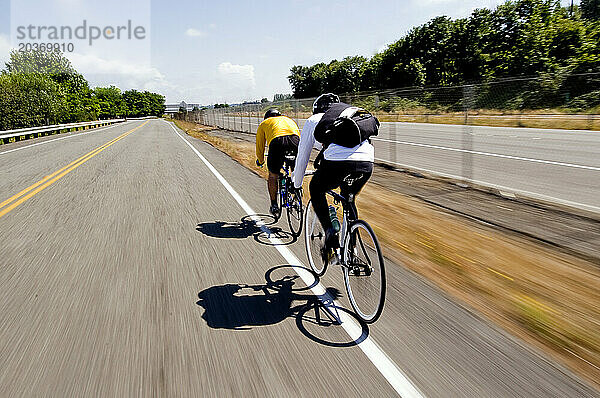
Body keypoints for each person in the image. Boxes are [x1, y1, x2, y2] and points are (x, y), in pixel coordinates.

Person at [293, 93, 374, 263]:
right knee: (349, 199)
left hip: (337, 163)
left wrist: (297, 183)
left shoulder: (314, 119)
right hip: (366, 162)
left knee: (316, 188)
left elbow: (302, 157)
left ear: (316, 109)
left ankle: (330, 233)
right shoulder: (349, 113)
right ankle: (352, 249)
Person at [256, 108, 300, 217]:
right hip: (296, 141)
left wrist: (260, 161)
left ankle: (274, 204)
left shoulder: (264, 123)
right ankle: (295, 187)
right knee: (295, 169)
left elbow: (260, 146)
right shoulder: (289, 120)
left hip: (277, 142)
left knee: (273, 175)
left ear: (267, 117)